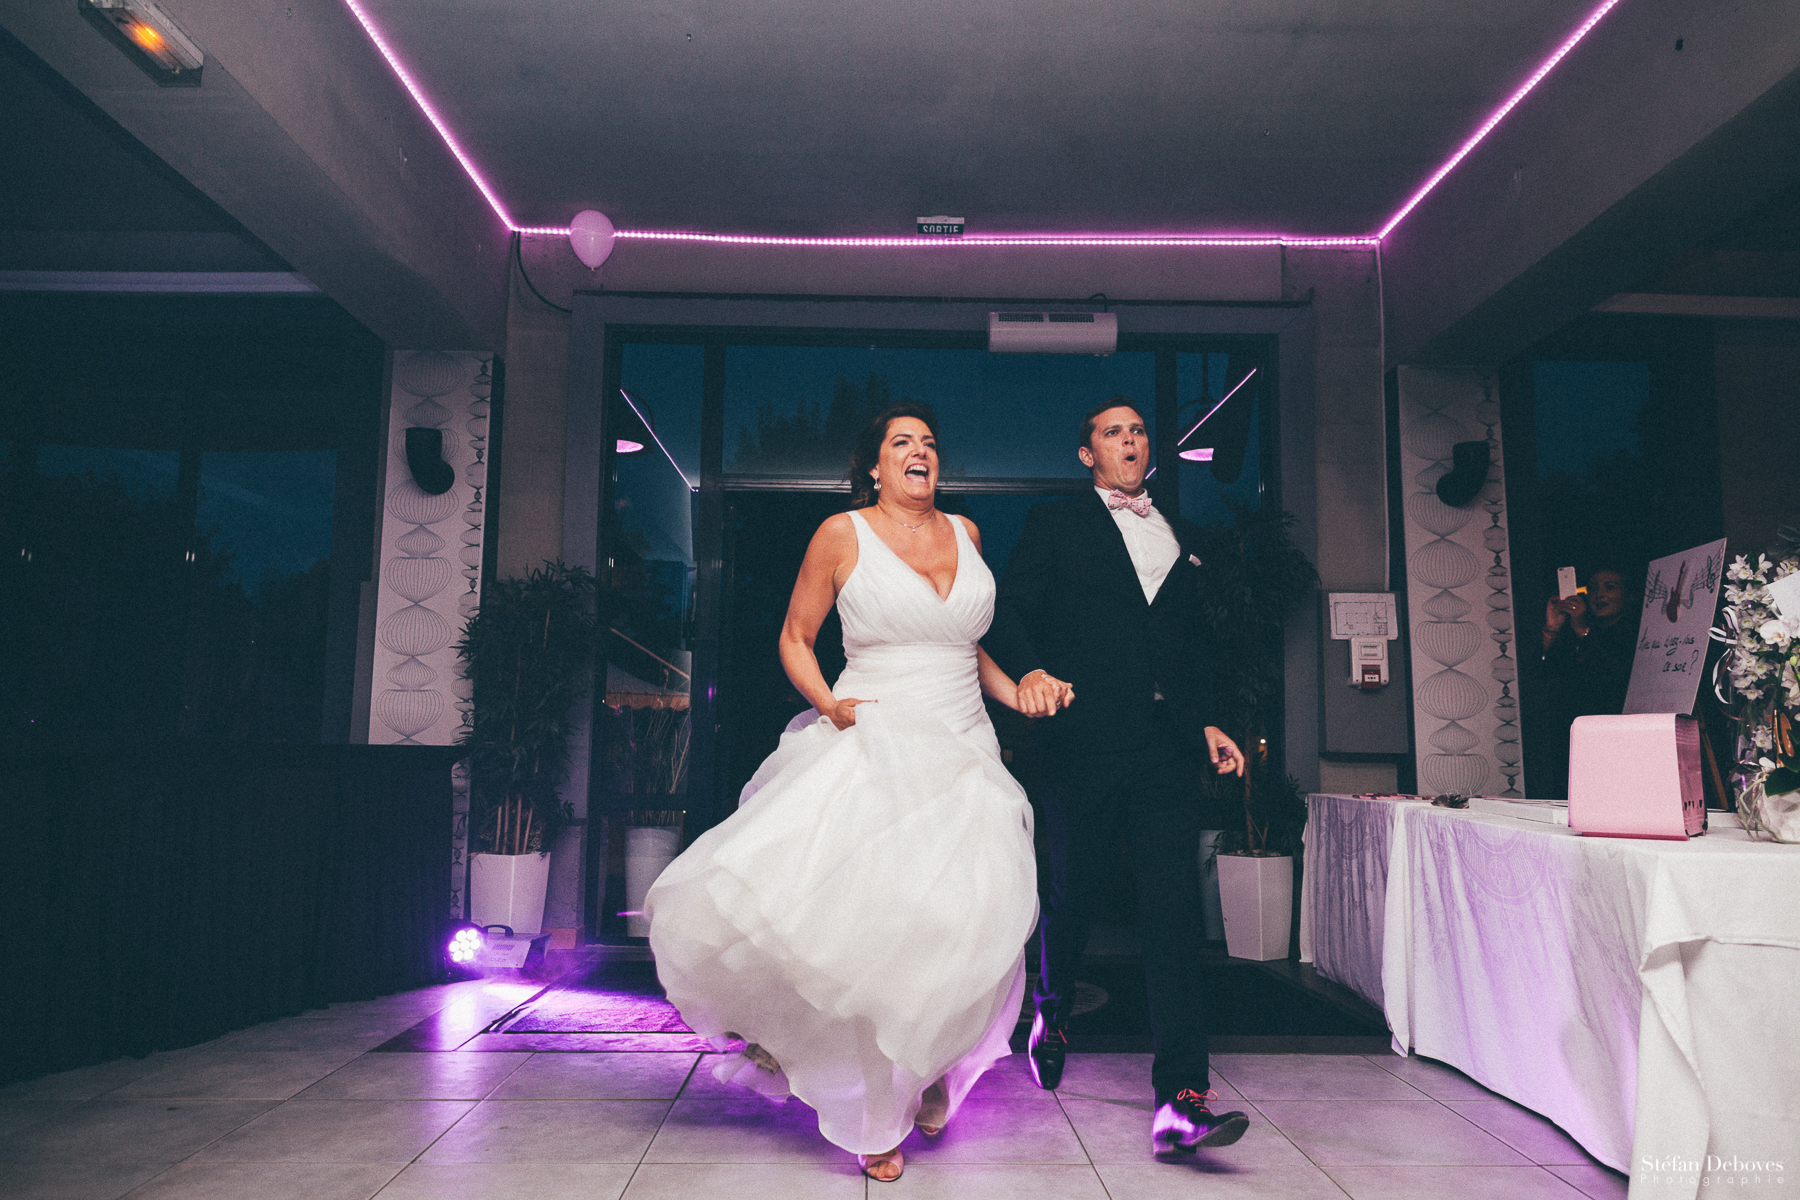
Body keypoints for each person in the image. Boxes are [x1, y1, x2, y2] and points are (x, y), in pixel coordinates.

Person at [645, 403, 1039, 1183]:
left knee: (962, 920)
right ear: (875, 467)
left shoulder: (967, 533)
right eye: (903, 443)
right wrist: (830, 705)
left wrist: (1019, 689)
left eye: (930, 442)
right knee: (879, 925)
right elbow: (795, 638)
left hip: (966, 751)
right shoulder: (842, 533)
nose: (921, 452)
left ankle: (928, 1067)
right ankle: (875, 1116)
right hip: (877, 741)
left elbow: (965, 647)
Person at [982, 398, 1253, 1159]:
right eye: (1113, 433)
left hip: (1166, 748)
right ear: (1087, 454)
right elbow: (1007, 613)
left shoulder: (1181, 534)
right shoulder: (1055, 525)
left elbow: (1188, 648)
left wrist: (1207, 720)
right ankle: (1052, 1005)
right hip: (1083, 741)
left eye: (1137, 432)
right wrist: (1032, 672)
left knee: (1172, 912)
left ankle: (1181, 1098)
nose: (1129, 441)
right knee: (1073, 893)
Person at [1536, 565, 1638, 797]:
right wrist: (1553, 627)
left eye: (1610, 587)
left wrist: (1582, 629)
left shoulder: (1634, 631)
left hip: (1618, 738)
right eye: (1592, 589)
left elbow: (1613, 673)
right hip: (1575, 737)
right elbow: (1543, 675)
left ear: (1628, 595)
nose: (1599, 595)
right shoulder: (1575, 631)